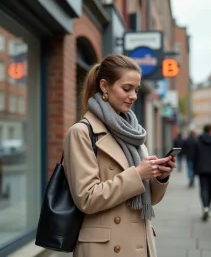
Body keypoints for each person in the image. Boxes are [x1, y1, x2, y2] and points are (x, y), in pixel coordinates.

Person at [63, 54, 176, 257]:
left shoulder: (133, 132)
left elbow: (149, 200)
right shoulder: (82, 132)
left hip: (140, 243)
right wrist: (138, 174)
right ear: (105, 86)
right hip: (106, 248)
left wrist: (160, 176)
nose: (133, 95)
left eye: (136, 90)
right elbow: (87, 198)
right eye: (126, 89)